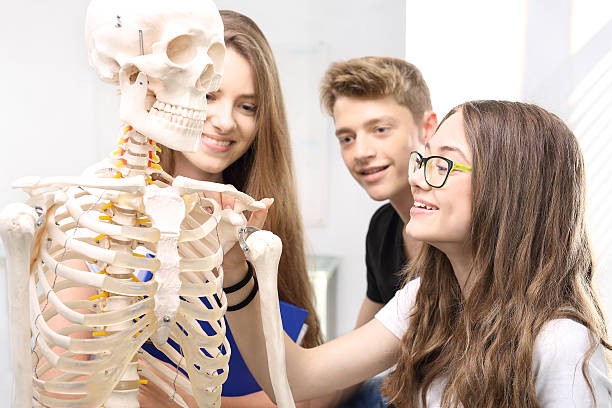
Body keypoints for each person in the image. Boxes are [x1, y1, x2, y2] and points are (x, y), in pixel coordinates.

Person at [226, 100, 612, 407]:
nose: (415, 177)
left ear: (510, 188)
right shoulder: (423, 298)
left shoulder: (561, 344)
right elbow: (298, 377)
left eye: (442, 163)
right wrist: (234, 269)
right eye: (423, 159)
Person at [145, 10, 323, 407]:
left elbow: (307, 391)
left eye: (248, 107)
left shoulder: (260, 231)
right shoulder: (109, 224)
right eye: (209, 95)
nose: (225, 121)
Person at [316, 56, 437, 406]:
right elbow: (357, 356)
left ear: (427, 127)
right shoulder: (383, 228)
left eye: (380, 130)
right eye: (347, 138)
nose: (361, 152)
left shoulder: (461, 229)